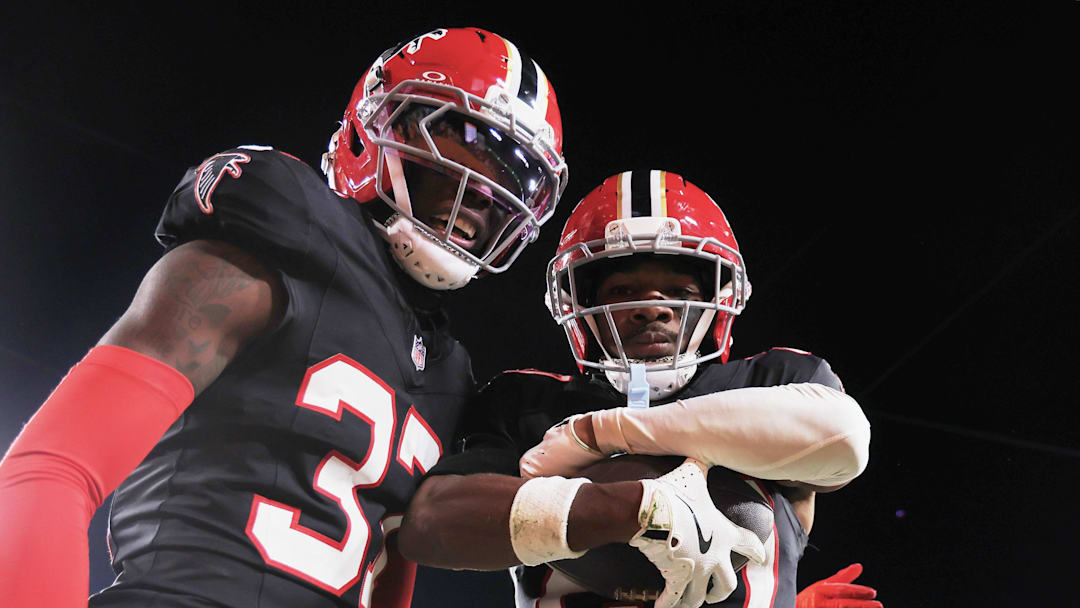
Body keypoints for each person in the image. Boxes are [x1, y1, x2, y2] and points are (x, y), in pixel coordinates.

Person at [0, 27, 568, 608]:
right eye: (462, 140)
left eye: (512, 174)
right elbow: (52, 468)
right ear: (375, 131)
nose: (483, 189)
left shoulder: (449, 373)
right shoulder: (286, 229)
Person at [397, 170, 879, 608]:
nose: (653, 308)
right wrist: (635, 509)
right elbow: (431, 525)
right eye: (623, 291)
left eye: (680, 292)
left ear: (719, 298)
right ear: (578, 301)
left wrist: (601, 435)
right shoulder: (528, 403)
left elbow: (844, 439)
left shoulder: (774, 379)